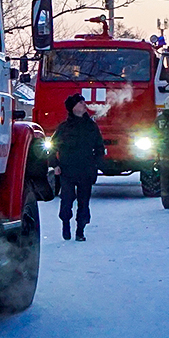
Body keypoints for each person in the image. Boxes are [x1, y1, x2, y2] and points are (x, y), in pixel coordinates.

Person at [52, 94, 105, 240]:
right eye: (80, 102)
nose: (84, 104)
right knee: (66, 200)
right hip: (67, 170)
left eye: (83, 102)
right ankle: (65, 224)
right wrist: (54, 165)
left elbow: (99, 147)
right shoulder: (64, 128)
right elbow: (51, 148)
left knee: (84, 202)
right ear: (72, 107)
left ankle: (80, 230)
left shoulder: (91, 126)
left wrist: (96, 165)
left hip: (86, 170)